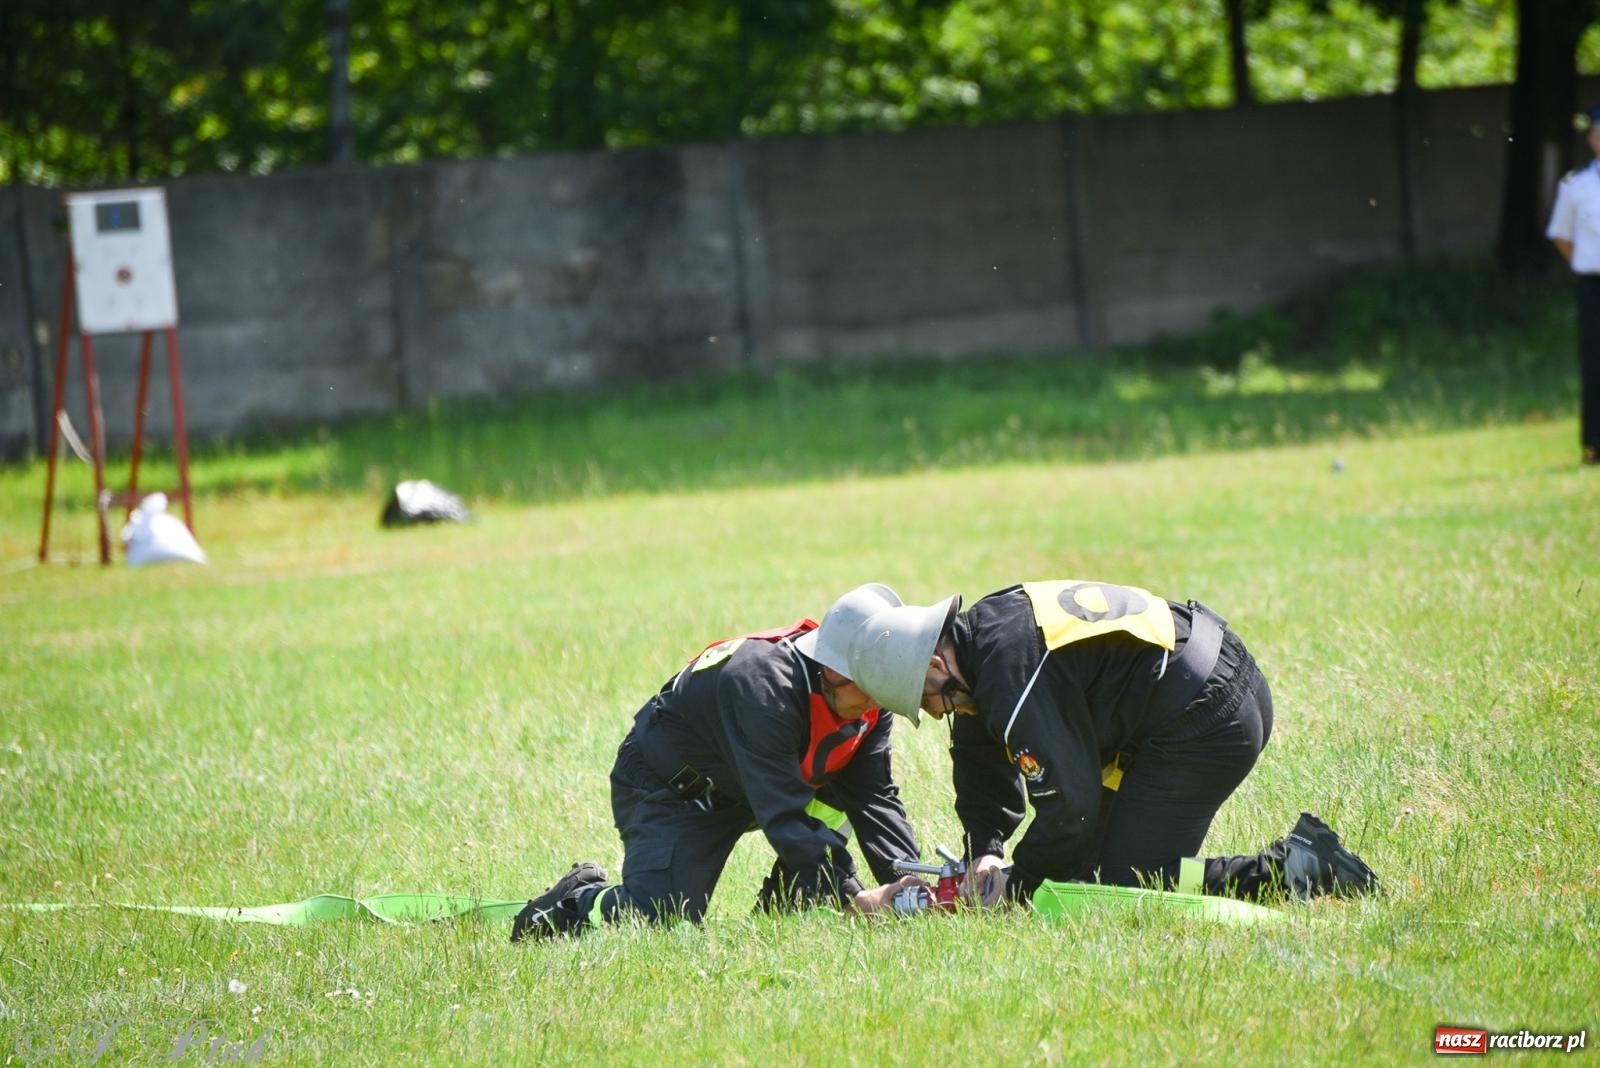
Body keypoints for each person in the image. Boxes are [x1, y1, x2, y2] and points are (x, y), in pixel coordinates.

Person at [806, 579, 1379, 907]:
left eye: (931, 700)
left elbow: (1071, 807)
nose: (935, 714)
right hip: (1197, 690)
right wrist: (987, 845)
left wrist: (1019, 887)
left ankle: (1298, 867)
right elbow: (980, 752)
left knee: (1123, 885)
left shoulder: (1007, 675)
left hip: (1206, 715)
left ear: (934, 662)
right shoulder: (985, 640)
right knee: (1078, 877)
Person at [511, 584, 930, 941]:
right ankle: (577, 899)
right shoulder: (762, 687)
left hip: (751, 785)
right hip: (673, 789)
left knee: (841, 790)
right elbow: (782, 812)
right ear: (834, 669)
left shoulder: (869, 696)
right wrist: (851, 895)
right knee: (662, 921)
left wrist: (909, 879)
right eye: (870, 690)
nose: (874, 705)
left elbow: (872, 796)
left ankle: (789, 900)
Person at [1545, 104, 1600, 467]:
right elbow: (1562, 237)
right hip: (1593, 284)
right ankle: (1595, 443)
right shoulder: (1576, 185)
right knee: (1595, 362)